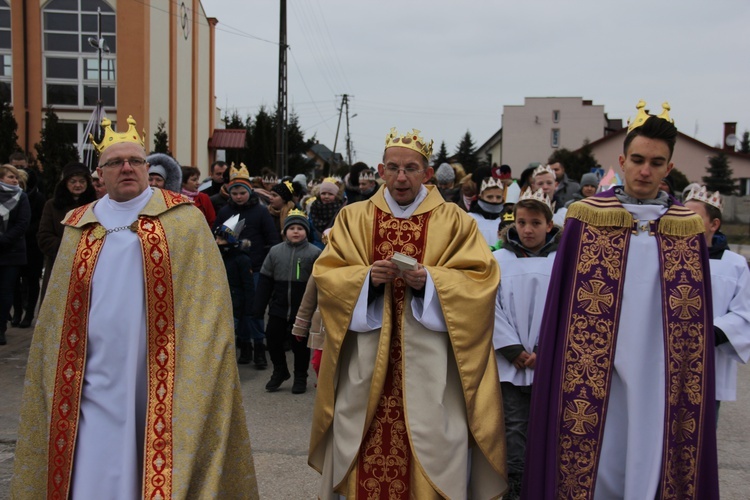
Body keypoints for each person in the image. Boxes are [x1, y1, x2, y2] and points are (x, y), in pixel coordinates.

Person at [11, 116, 258, 498]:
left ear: (148, 168)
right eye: (116, 162)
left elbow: (209, 304)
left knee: (158, 449)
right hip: (90, 370)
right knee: (91, 455)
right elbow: (56, 311)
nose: (127, 168)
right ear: (101, 174)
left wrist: (202, 360)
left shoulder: (184, 220)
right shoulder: (79, 224)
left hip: (161, 367)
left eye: (136, 161)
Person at [523, 102, 719, 499]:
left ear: (669, 168)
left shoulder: (687, 229)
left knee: (653, 448)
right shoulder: (585, 218)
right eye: (638, 159)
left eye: (656, 162)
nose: (645, 170)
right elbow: (561, 306)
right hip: (593, 368)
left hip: (662, 370)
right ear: (622, 160)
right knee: (602, 453)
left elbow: (696, 319)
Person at [309, 128, 507, 499]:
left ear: (427, 174)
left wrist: (430, 283)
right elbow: (327, 274)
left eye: (412, 168)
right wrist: (366, 279)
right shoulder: (354, 218)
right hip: (366, 362)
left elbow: (481, 281)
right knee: (362, 444)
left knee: (433, 442)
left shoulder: (456, 221)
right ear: (381, 171)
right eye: (394, 168)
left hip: (432, 367)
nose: (402, 177)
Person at [492, 189, 560, 499]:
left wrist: (546, 351)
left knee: (551, 433)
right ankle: (515, 492)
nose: (528, 229)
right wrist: (513, 350)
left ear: (550, 224)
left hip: (552, 365)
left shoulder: (564, 261)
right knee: (513, 434)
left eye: (535, 222)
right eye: (521, 222)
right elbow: (488, 307)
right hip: (511, 365)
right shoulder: (497, 260)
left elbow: (569, 308)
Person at [684, 186, 750, 424]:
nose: (687, 223)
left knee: (703, 431)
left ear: (714, 225)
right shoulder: (667, 257)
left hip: (709, 360)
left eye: (695, 218)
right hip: (668, 361)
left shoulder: (735, 265)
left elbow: (744, 312)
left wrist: (713, 332)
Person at [214, 163, 281, 369]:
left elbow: (272, 238)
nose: (239, 196)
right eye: (235, 193)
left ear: (249, 192)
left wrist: (269, 262)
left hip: (256, 266)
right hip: (232, 267)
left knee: (255, 308)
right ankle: (245, 347)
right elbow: (215, 236)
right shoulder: (225, 211)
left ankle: (259, 347)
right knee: (238, 307)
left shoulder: (260, 212)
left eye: (242, 192)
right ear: (230, 193)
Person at [253, 209, 321, 393]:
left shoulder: (314, 253)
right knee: (273, 339)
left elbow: (320, 284)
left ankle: (300, 376)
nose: (296, 231)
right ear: (285, 232)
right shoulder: (275, 252)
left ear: (307, 231)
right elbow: (265, 282)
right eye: (292, 228)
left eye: (300, 228)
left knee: (300, 345)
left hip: (302, 309)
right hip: (279, 307)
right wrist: (258, 309)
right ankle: (280, 370)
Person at [37, 162, 97, 303]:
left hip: (90, 265)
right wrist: (70, 247)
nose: (78, 185)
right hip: (59, 265)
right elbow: (44, 236)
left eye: (82, 181)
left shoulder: (96, 205)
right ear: (65, 183)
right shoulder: (52, 205)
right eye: (73, 181)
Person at [214, 214, 255, 364]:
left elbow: (248, 285)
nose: (217, 242)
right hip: (221, 302)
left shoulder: (241, 259)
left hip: (236, 303)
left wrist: (248, 306)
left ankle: (243, 351)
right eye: (216, 238)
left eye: (221, 239)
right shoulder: (217, 257)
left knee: (236, 331)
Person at [11, 166, 46, 329]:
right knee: (13, 282)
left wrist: (25, 230)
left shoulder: (38, 198)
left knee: (32, 281)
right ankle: (17, 312)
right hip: (14, 244)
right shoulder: (10, 198)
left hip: (32, 245)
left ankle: (29, 313)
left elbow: (41, 220)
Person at [0, 164, 30, 345]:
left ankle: (1, 327)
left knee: (5, 292)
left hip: (11, 252)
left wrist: (3, 240)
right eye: (10, 177)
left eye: (16, 177)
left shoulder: (21, 197)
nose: (15, 180)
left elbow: (22, 223)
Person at [308, 177, 344, 249]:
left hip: (335, 247)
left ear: (336, 196)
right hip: (316, 247)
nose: (326, 196)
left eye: (330, 194)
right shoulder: (314, 208)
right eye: (323, 193)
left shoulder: (340, 210)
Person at [469, 176, 505, 246]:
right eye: (490, 197)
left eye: (498, 197)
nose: (494, 201)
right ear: (480, 196)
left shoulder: (506, 220)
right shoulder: (469, 218)